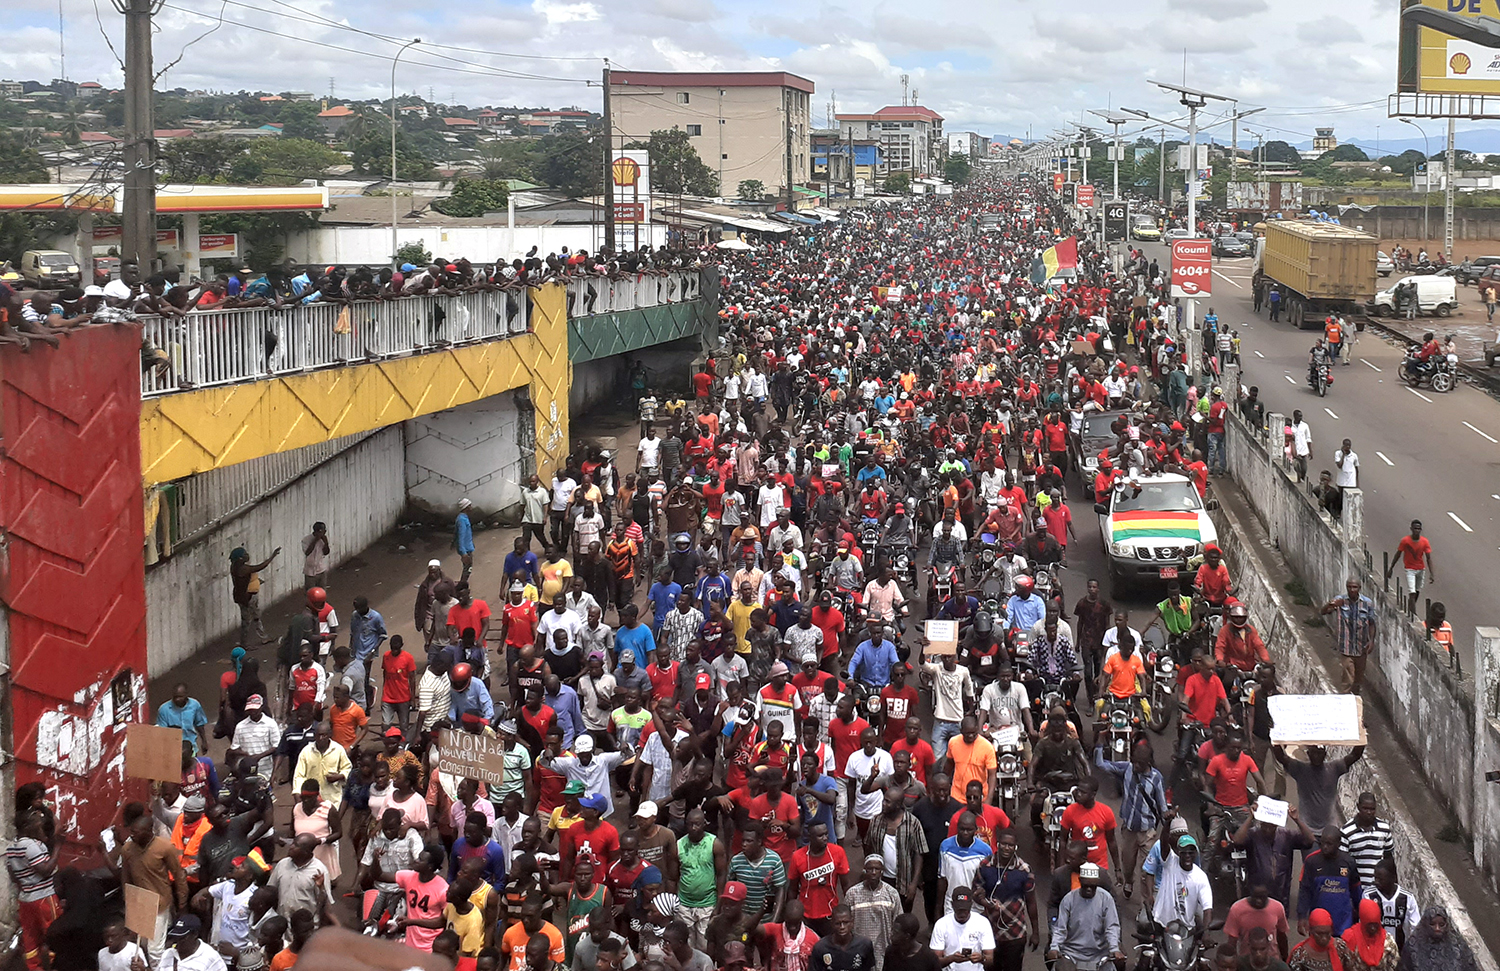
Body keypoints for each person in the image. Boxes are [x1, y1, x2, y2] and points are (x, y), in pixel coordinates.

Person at [7, 809, 59, 971]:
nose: (41, 824)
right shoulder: (31, 846)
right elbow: (45, 870)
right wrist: (58, 846)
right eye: (37, 822)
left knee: (30, 938)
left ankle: (34, 968)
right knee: (55, 933)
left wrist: (26, 884)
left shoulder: (12, 848)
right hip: (43, 898)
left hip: (26, 899)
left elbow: (13, 875)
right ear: (27, 826)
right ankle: (57, 965)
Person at [1049, 862, 1123, 969]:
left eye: (1092, 886)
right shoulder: (1069, 900)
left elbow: (1111, 927)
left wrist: (1114, 949)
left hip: (1100, 954)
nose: (1089, 889)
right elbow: (1060, 929)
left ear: (1097, 883)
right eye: (1086, 886)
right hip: (1071, 953)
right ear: (1080, 881)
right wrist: (1054, 947)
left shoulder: (1106, 899)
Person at [929, 887, 994, 971]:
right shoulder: (941, 924)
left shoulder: (982, 922)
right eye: (959, 910)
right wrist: (951, 959)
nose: (962, 914)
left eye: (965, 910)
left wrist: (982, 958)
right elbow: (935, 962)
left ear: (971, 905)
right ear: (952, 905)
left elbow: (990, 959)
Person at [1384, 520, 1434, 618]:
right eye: (1415, 528)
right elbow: (1398, 554)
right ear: (1411, 529)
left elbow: (1428, 558)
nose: (1417, 531)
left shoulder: (1424, 542)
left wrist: (1431, 573)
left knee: (1417, 590)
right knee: (1412, 592)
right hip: (1410, 569)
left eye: (1419, 529)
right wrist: (1391, 568)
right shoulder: (1405, 541)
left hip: (1420, 569)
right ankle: (1413, 615)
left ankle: (1411, 606)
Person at [1342, 897, 1400, 970]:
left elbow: (1394, 966)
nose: (1373, 928)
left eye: (1375, 924)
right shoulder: (1350, 938)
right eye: (1369, 924)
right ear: (1363, 922)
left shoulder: (1388, 941)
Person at [1289, 909, 1356, 971]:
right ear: (1310, 930)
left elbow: (1351, 968)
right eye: (1319, 934)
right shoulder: (1300, 954)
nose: (1324, 938)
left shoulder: (1340, 947)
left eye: (1327, 933)